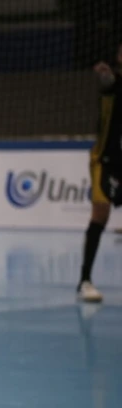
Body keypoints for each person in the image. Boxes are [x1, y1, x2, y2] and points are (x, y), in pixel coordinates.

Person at [78, 42, 122, 303]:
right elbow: (106, 84)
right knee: (100, 215)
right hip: (105, 159)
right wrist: (105, 76)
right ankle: (85, 281)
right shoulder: (113, 82)